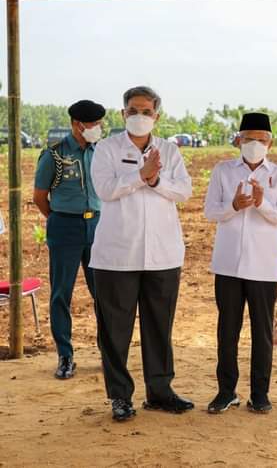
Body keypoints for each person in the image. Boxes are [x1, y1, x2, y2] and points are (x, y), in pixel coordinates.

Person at [90, 86, 193, 422]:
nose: (140, 116)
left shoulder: (169, 151)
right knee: (115, 330)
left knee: (159, 326)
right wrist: (139, 175)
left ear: (156, 116)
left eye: (146, 112)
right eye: (133, 110)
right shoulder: (106, 149)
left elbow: (184, 191)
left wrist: (155, 182)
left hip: (163, 254)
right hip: (117, 255)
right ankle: (120, 396)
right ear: (123, 114)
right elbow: (105, 189)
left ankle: (160, 391)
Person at [204, 112, 277, 414]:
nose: (254, 144)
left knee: (262, 332)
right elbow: (210, 211)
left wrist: (261, 203)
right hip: (228, 263)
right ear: (237, 140)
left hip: (263, 265)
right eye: (248, 139)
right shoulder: (223, 171)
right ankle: (226, 391)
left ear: (270, 143)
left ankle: (260, 394)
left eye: (260, 139)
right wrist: (233, 205)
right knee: (227, 330)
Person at [33, 100, 105, 379]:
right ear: (77, 124)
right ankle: (65, 355)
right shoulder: (55, 155)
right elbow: (40, 197)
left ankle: (108, 352)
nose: (98, 128)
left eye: (100, 123)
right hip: (65, 227)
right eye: (93, 123)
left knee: (104, 293)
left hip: (97, 226)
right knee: (61, 294)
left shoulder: (101, 153)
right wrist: (59, 219)